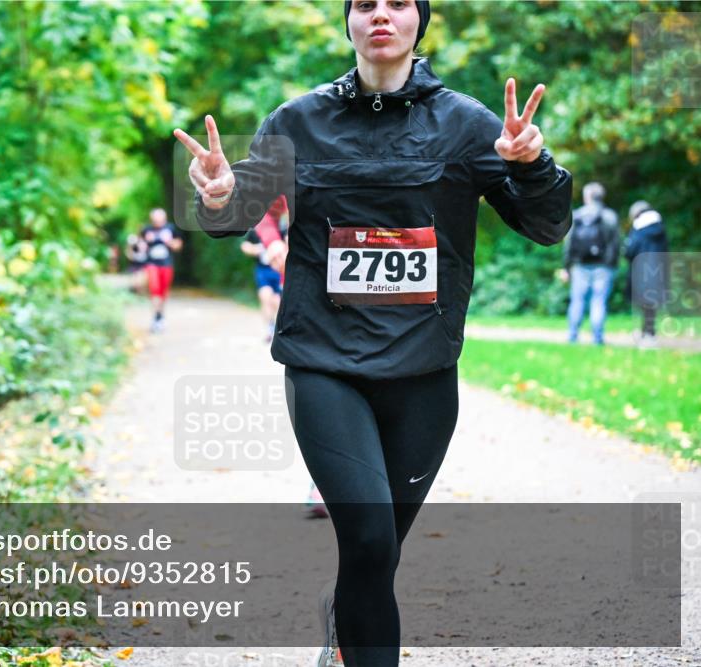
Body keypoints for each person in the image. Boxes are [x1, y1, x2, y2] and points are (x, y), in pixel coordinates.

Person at [173, 1, 573, 666]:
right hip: (324, 361)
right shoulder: (297, 122)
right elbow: (234, 212)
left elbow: (546, 225)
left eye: (396, 3)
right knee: (366, 541)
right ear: (349, 22)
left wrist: (531, 163)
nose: (380, 14)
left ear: (421, 21)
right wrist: (217, 193)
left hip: (422, 371)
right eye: (364, 4)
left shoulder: (468, 124)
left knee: (377, 550)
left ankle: (343, 625)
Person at [560, 182, 621, 345]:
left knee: (577, 300)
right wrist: (612, 265)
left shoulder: (577, 215)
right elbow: (615, 245)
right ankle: (597, 338)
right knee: (599, 301)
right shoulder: (610, 216)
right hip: (603, 266)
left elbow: (569, 244)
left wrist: (566, 267)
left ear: (587, 197)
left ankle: (572, 336)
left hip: (579, 266)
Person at [241, 194, 289, 342]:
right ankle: (268, 328)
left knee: (276, 301)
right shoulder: (257, 229)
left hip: (279, 271)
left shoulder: (282, 229)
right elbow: (245, 246)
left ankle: (276, 326)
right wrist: (258, 249)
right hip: (263, 271)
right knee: (265, 296)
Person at [624, 200, 669, 348]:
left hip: (641, 269)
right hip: (658, 269)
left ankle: (647, 334)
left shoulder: (638, 230)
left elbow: (630, 251)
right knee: (651, 304)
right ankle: (648, 332)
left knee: (644, 304)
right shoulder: (660, 228)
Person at [139, 208, 183, 333]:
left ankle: (160, 316)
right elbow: (140, 245)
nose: (158, 222)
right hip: (151, 264)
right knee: (154, 290)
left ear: (164, 218)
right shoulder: (147, 230)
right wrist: (146, 242)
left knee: (163, 293)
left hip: (166, 264)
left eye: (160, 219)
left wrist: (169, 242)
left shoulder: (171, 229)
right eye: (155, 219)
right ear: (152, 219)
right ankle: (155, 318)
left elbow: (178, 246)